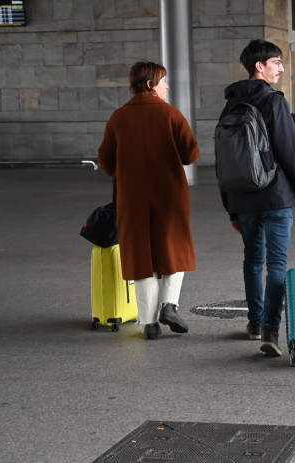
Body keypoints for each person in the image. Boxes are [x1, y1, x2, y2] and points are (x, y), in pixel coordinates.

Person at [220, 39, 295, 357]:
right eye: (276, 62)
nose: (280, 67)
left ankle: (255, 322)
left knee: (252, 260)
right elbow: (292, 153)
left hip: (243, 198)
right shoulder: (274, 101)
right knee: (276, 263)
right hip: (275, 196)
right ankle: (270, 330)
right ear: (259, 67)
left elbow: (225, 158)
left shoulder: (231, 103)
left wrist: (231, 208)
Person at [98, 61, 200, 340]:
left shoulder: (119, 117)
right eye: (163, 81)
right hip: (170, 194)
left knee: (141, 254)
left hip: (132, 197)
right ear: (150, 83)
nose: (167, 86)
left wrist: (124, 172)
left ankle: (149, 323)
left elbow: (105, 159)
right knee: (173, 247)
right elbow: (190, 154)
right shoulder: (171, 114)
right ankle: (169, 305)